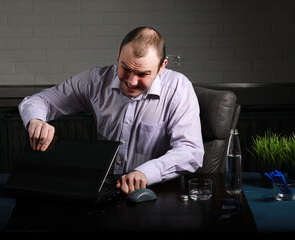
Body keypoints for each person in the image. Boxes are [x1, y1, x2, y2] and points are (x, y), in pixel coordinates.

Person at [19, 26, 204, 194]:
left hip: (159, 192)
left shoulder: (179, 88)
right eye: (125, 68)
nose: (132, 81)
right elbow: (39, 101)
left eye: (142, 74)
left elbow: (191, 150)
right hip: (104, 189)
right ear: (118, 54)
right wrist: (36, 120)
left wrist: (146, 172)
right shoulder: (95, 81)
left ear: (161, 67)